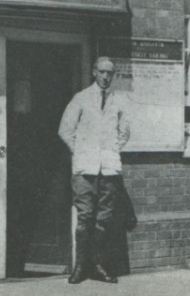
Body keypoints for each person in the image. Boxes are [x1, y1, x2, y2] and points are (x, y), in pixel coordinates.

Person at [58, 56, 130, 284]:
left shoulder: (119, 101)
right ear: (94, 72)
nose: (106, 77)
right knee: (85, 217)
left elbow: (125, 132)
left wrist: (110, 150)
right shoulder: (81, 98)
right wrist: (81, 150)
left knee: (103, 219)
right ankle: (80, 266)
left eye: (110, 73)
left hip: (108, 169)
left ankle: (98, 266)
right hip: (85, 170)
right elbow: (65, 130)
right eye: (102, 72)